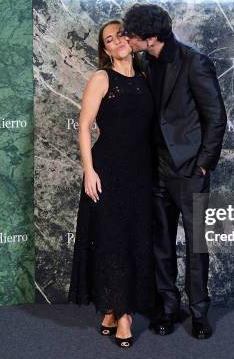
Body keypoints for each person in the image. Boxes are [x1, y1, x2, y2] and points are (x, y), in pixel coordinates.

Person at [122, 4, 227, 339]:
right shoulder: (142, 61)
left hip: (189, 170)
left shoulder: (194, 62)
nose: (128, 38)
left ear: (151, 37)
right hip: (153, 168)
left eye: (133, 34)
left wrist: (203, 162)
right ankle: (168, 308)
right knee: (161, 243)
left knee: (196, 245)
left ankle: (198, 313)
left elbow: (216, 117)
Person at [68, 20, 155, 349]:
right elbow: (84, 127)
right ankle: (123, 317)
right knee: (113, 242)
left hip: (140, 173)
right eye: (109, 39)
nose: (117, 41)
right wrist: (89, 170)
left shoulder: (146, 78)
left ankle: (114, 308)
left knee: (135, 241)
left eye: (121, 35)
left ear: (130, 40)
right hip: (107, 172)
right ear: (105, 50)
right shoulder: (101, 78)